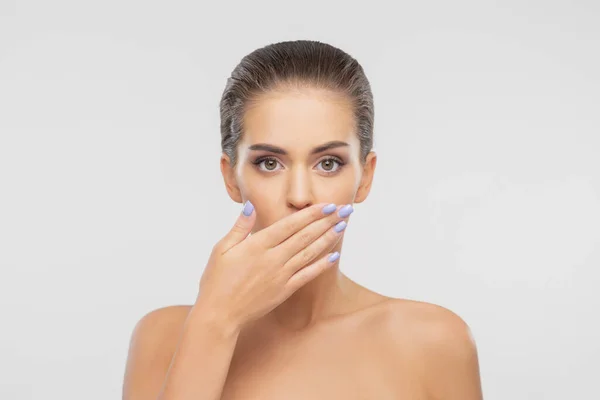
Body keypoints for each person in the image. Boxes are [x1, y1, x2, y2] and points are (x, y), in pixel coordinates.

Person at [122, 40, 483, 400]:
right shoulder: (163, 337)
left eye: (328, 163)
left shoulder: (434, 341)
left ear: (365, 176)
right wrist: (216, 321)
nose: (299, 195)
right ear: (231, 177)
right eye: (269, 163)